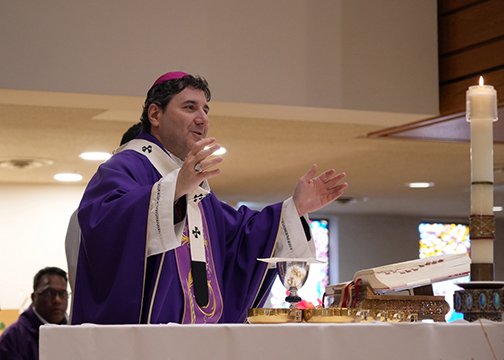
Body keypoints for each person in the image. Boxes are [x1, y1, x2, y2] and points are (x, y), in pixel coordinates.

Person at [70, 71, 348, 325]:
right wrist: (175, 189)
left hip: (200, 339)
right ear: (155, 115)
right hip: (145, 342)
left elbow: (238, 237)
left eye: (205, 109)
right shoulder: (125, 166)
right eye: (189, 107)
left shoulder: (192, 183)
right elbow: (103, 226)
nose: (202, 118)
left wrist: (295, 208)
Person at [0, 267, 68, 360]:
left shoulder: (74, 332)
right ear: (34, 297)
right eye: (49, 293)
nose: (57, 300)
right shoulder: (12, 339)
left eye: (63, 294)